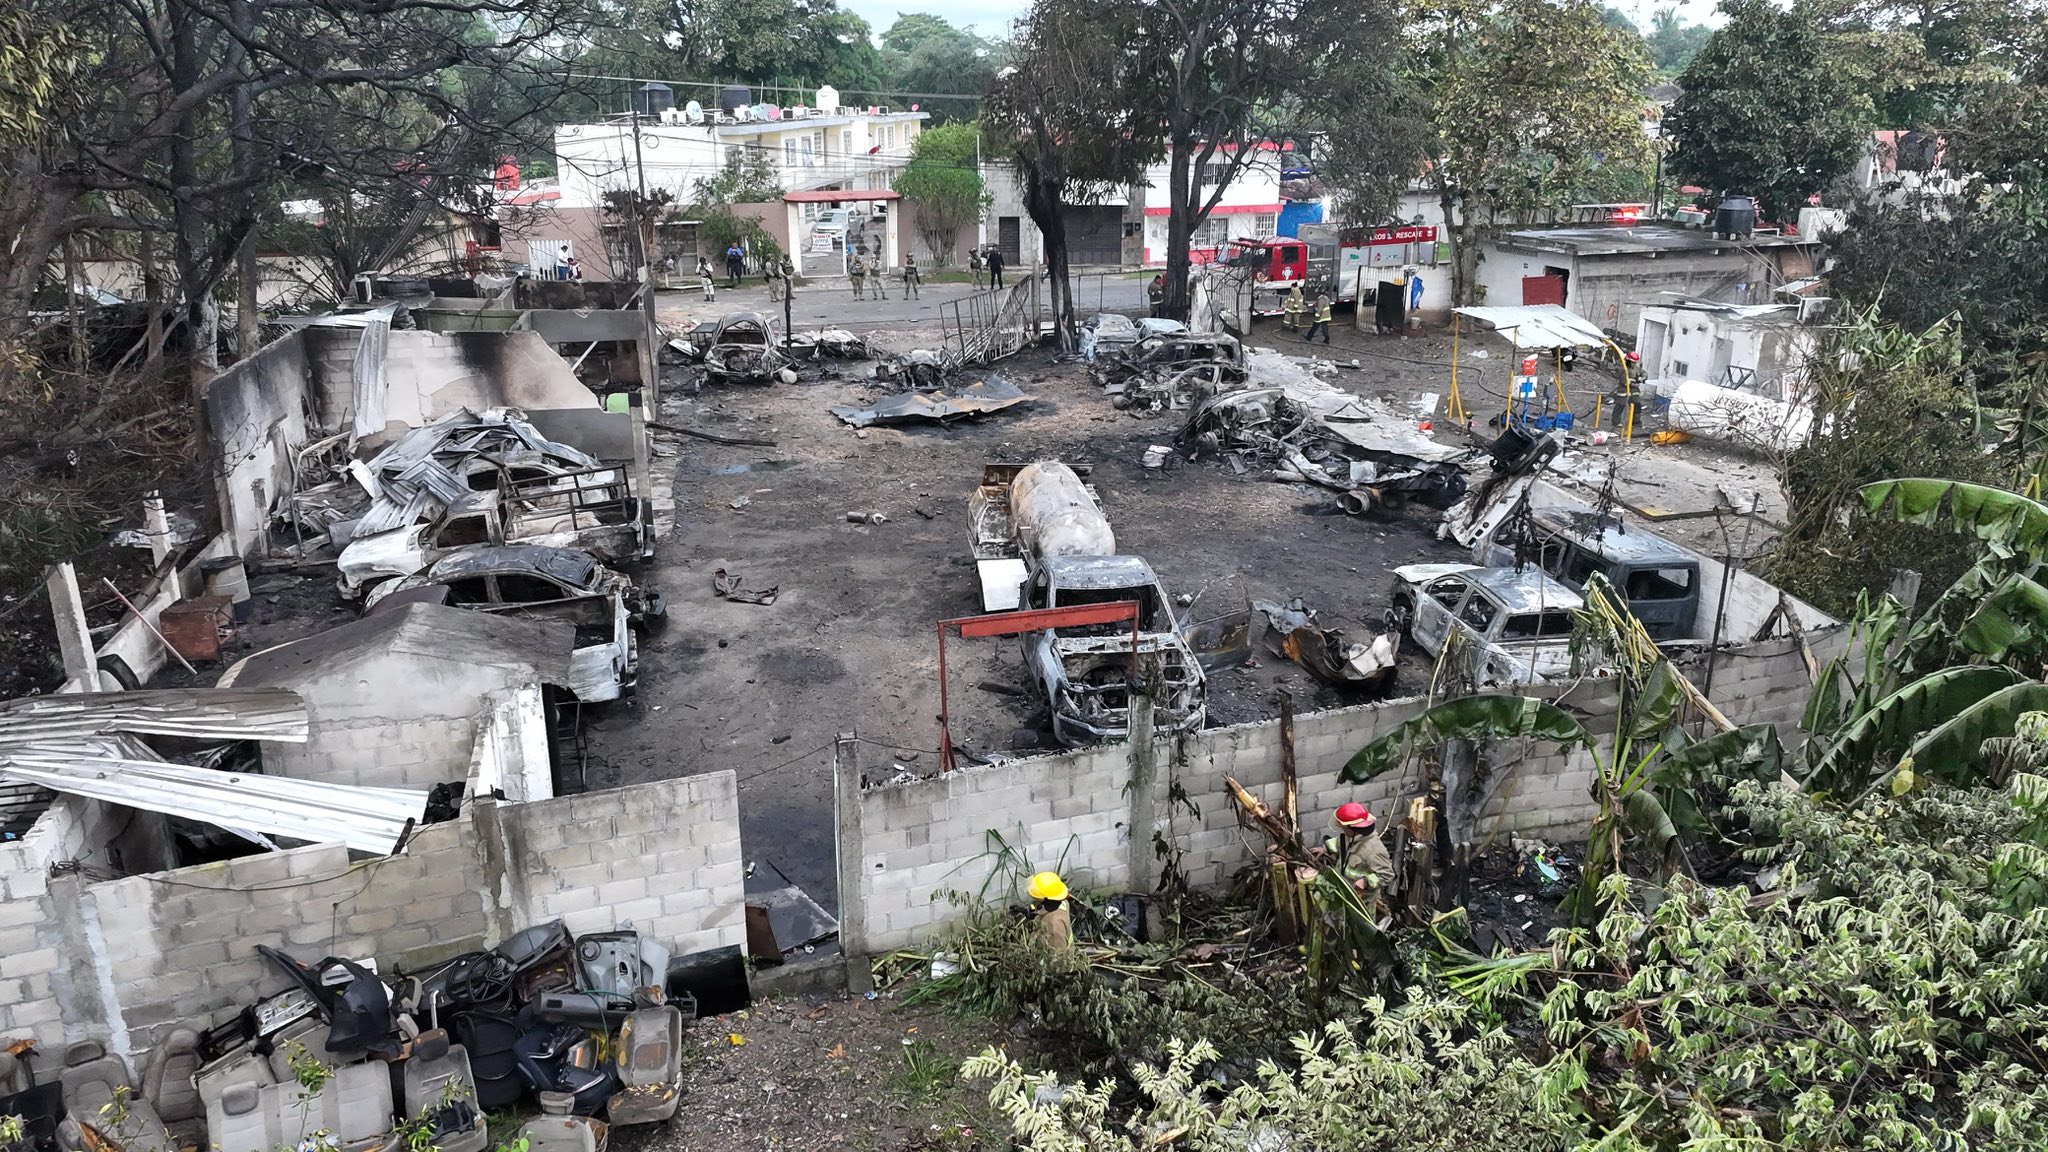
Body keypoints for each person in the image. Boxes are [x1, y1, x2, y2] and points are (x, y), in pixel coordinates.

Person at [1329, 802, 1394, 895]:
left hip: (1362, 900)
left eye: (1344, 828)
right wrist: (1325, 848)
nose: (1343, 830)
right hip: (1345, 890)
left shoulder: (1374, 850)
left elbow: (1387, 875)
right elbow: (1341, 842)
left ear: (1353, 829)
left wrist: (1365, 881)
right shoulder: (1352, 837)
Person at [1026, 871, 1073, 950]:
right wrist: (1031, 912)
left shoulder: (1054, 924)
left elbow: (1058, 957)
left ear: (1043, 901)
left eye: (1035, 898)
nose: (1033, 899)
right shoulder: (1061, 901)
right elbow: (1042, 908)